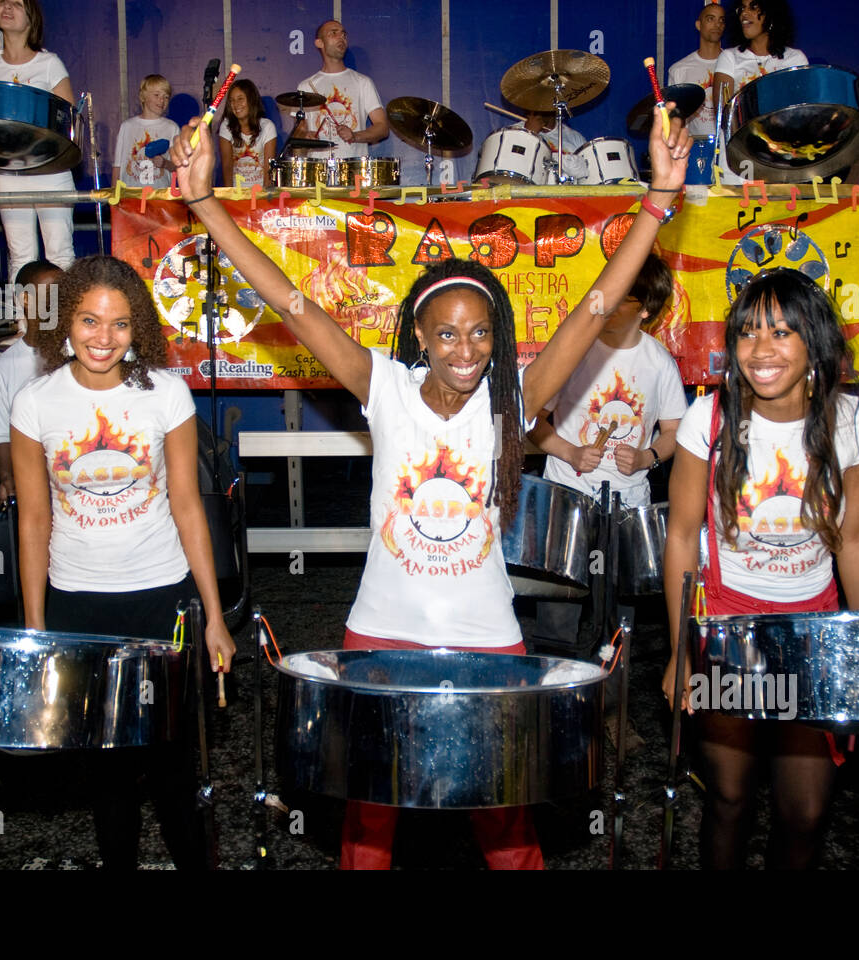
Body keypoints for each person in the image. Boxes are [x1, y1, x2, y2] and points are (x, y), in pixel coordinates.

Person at [172, 93, 692, 869]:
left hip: (488, 638)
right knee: (366, 831)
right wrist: (207, 204)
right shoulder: (383, 387)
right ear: (418, 332)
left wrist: (657, 202)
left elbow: (593, 307)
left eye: (480, 333)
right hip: (380, 634)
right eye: (446, 332)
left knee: (510, 830)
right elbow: (292, 300)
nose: (465, 348)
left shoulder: (511, 399)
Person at [10, 255, 234, 870]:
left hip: (162, 598)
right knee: (106, 778)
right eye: (88, 320)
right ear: (66, 323)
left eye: (119, 324)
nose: (102, 338)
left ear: (139, 328)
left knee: (173, 770)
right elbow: (33, 521)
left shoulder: (167, 393)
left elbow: (189, 505)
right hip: (78, 603)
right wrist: (35, 629)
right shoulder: (35, 403)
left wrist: (214, 616)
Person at [663, 268, 859, 869]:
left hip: (814, 632)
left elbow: (857, 540)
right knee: (729, 798)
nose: (762, 349)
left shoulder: (854, 423)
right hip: (728, 631)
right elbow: (681, 536)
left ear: (815, 343)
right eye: (749, 332)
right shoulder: (707, 420)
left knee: (805, 812)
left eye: (783, 333)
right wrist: (684, 649)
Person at [528, 252, 686, 658]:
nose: (605, 304)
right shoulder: (575, 351)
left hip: (627, 507)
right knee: (558, 614)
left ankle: (611, 701)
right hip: (568, 499)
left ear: (646, 309)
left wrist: (648, 456)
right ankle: (555, 693)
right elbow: (531, 420)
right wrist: (570, 451)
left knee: (619, 620)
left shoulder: (658, 363)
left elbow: (674, 432)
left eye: (620, 300)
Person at [0, 0, 75, 278]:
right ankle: (24, 322)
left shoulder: (48, 63)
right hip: (9, 172)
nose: (7, 7)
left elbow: (67, 120)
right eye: (3, 2)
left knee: (60, 253)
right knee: (20, 254)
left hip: (51, 170)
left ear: (31, 17)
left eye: (17, 4)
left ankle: (63, 321)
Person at [0, 260, 64, 503]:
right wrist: (8, 480)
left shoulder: (83, 353)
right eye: (50, 291)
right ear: (25, 298)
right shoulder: (1, 369)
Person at [712, 0, 807, 184]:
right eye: (742, 8)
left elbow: (799, 114)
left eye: (753, 7)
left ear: (772, 14)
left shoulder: (794, 59)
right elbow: (723, 111)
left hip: (781, 162)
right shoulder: (730, 57)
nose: (744, 14)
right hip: (737, 162)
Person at [296, 19, 388, 161]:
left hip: (354, 169)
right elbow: (299, 131)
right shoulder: (306, 86)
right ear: (319, 43)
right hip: (318, 171)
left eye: (344, 35)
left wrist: (355, 136)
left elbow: (382, 128)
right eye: (334, 33)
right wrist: (305, 136)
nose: (341, 38)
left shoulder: (362, 82)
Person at [668, 0, 727, 138]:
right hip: (693, 149)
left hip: (727, 149)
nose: (717, 25)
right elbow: (675, 119)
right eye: (710, 19)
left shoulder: (734, 65)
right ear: (698, 25)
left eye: (721, 20)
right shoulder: (679, 70)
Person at [113, 74, 179, 189]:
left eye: (166, 97)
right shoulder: (127, 127)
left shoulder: (172, 128)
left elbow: (177, 166)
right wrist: (114, 196)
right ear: (143, 97)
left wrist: (164, 163)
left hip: (159, 196)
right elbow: (118, 166)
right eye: (156, 95)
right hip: (130, 196)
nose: (162, 100)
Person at [218, 78, 276, 188]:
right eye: (232, 100)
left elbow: (269, 170)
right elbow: (227, 167)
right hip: (236, 193)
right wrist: (230, 197)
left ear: (251, 100)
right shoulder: (226, 126)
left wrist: (263, 198)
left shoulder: (267, 127)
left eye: (240, 99)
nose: (236, 104)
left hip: (259, 192)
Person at [508, 110, 588, 184]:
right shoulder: (514, 132)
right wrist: (529, 135)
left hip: (569, 196)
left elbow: (587, 173)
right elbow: (511, 167)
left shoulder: (575, 138)